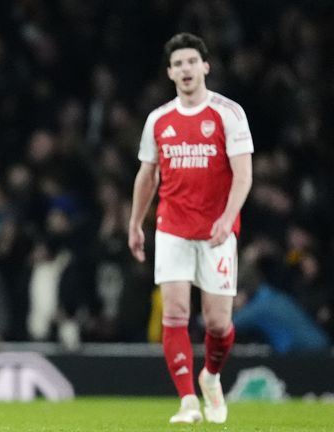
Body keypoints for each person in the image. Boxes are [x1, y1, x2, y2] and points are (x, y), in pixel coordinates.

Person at [128, 33, 253, 425]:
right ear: (170, 72)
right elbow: (147, 176)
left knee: (218, 322)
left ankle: (211, 377)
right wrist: (135, 222)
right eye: (177, 64)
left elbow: (244, 175)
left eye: (191, 62)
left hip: (217, 231)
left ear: (205, 67)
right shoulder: (158, 120)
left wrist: (226, 218)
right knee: (176, 313)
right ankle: (186, 401)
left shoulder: (228, 113)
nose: (185, 69)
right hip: (173, 228)